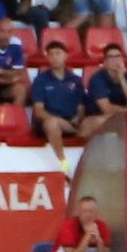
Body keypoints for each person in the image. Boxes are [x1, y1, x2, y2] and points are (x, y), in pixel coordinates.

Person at [32, 39, 101, 173]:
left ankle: (94, 164)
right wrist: (58, 120)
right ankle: (63, 162)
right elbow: (38, 110)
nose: (55, 57)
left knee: (97, 122)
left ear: (65, 56)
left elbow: (81, 106)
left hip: (72, 123)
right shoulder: (41, 80)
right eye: (51, 54)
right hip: (50, 122)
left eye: (58, 53)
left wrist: (77, 117)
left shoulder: (75, 80)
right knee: (52, 123)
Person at [86, 44, 127, 116]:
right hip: (97, 116)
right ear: (105, 62)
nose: (115, 60)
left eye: (118, 56)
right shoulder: (97, 79)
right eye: (111, 57)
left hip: (121, 116)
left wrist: (122, 78)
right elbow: (106, 109)